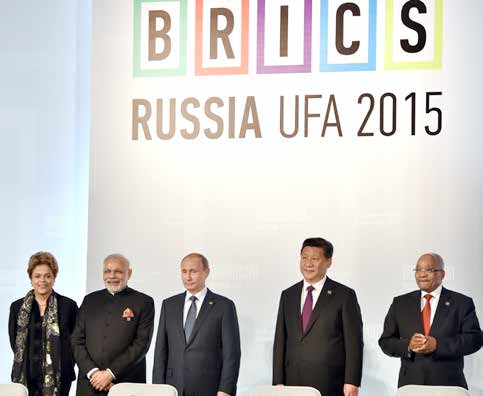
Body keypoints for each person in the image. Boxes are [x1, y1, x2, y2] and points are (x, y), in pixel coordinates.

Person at [273, 237, 363, 396]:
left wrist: (352, 381)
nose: (308, 263)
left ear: (328, 262)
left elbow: (354, 343)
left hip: (330, 382)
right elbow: (280, 340)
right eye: (304, 257)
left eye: (315, 259)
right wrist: (278, 380)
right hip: (292, 382)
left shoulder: (344, 295)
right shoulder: (288, 295)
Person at [379, 253, 482, 388]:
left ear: (442, 274)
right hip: (411, 385)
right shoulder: (400, 303)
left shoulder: (462, 303)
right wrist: (408, 345)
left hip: (449, 385)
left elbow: (475, 340)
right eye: (418, 270)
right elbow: (385, 341)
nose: (422, 274)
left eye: (428, 270)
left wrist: (438, 345)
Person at [153, 252, 241, 396]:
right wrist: (158, 389)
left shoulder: (224, 306)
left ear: (206, 272)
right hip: (172, 387)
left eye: (193, 271)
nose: (188, 277)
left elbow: (232, 353)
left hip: (209, 388)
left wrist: (225, 389)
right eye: (184, 271)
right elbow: (160, 351)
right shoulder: (169, 305)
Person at [71, 253, 155, 395]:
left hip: (126, 384)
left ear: (129, 273)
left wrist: (110, 374)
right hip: (90, 383)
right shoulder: (90, 300)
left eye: (118, 271)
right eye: (107, 271)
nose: (112, 276)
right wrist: (93, 373)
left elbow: (141, 344)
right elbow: (76, 340)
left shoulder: (144, 302)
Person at [9, 252, 78, 396]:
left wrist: (66, 363)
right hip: (26, 377)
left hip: (60, 378)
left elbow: (75, 341)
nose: (43, 281)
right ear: (31, 278)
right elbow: (14, 341)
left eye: (48, 276)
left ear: (54, 278)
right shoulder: (17, 307)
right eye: (37, 276)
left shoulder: (68, 306)